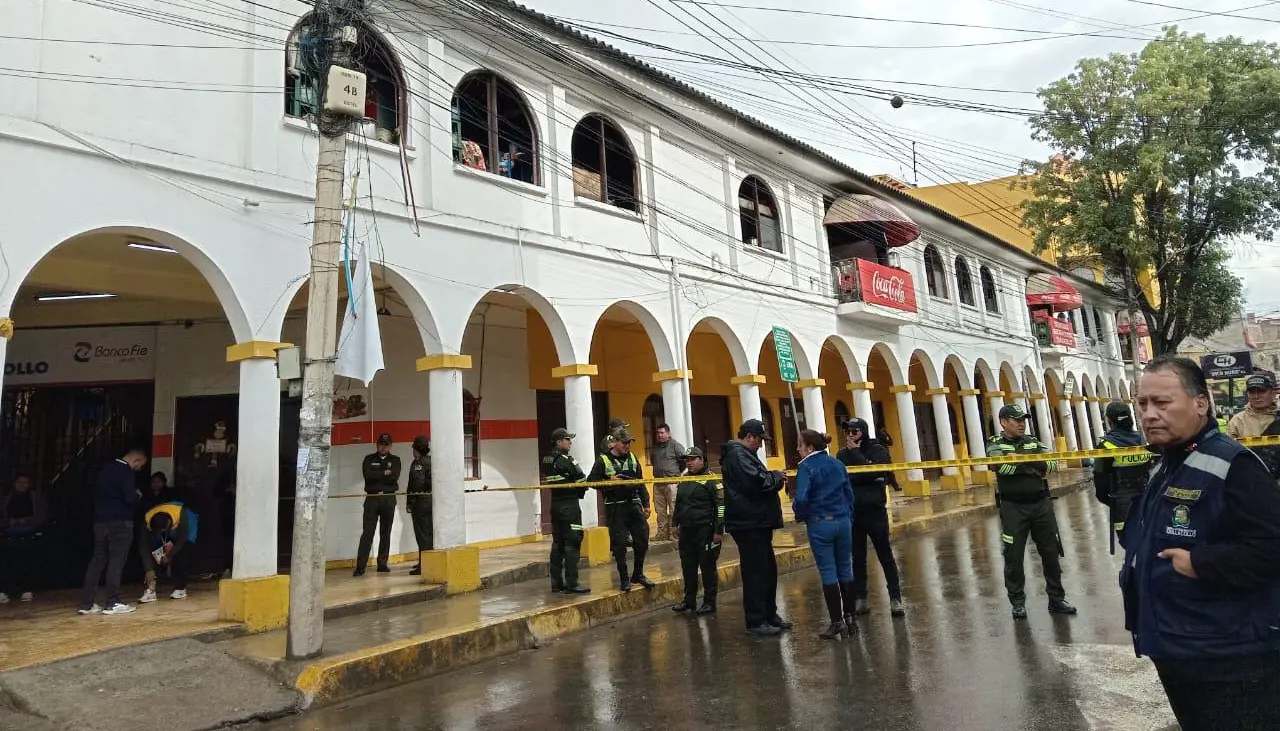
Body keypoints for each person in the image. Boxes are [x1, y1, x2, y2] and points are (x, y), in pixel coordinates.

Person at [1124, 356, 1280, 729]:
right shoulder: (1169, 461)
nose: (1149, 414)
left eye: (1162, 403)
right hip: (1179, 646)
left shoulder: (1234, 465)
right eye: (1142, 404)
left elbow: (1271, 548)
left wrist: (1201, 563)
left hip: (1229, 658)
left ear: (1200, 403)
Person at [986, 404, 1077, 619]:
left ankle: (1056, 598)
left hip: (1041, 505)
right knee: (1014, 556)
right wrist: (1033, 466)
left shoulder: (1033, 441)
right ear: (1003, 422)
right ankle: (1018, 602)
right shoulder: (995, 443)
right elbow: (1000, 467)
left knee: (1051, 553)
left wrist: (1022, 463)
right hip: (1013, 507)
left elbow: (1053, 464)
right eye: (1016, 420)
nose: (1021, 423)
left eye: (1023, 420)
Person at [721, 418, 789, 636]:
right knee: (756, 573)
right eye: (760, 440)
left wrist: (772, 476)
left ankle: (770, 614)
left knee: (767, 570)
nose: (761, 445)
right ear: (749, 437)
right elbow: (757, 483)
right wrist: (776, 477)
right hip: (749, 523)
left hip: (758, 522)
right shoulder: (737, 455)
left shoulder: (745, 455)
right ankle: (756, 620)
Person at [836, 418, 904, 617]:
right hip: (854, 513)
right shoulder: (842, 454)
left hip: (875, 511)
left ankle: (895, 597)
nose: (850, 435)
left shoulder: (877, 449)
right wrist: (864, 473)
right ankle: (861, 597)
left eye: (854, 431)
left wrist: (857, 455)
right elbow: (847, 478)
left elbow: (875, 472)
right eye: (847, 431)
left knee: (886, 555)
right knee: (857, 557)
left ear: (863, 432)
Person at [792, 430, 856, 639]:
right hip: (842, 521)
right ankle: (851, 618)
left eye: (800, 445)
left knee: (828, 571)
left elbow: (801, 498)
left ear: (809, 447)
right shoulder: (838, 464)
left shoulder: (806, 467)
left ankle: (837, 622)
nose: (798, 449)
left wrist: (800, 515)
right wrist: (847, 517)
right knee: (846, 567)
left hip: (820, 523)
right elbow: (849, 495)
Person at [80, 447, 147, 615]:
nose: (139, 469)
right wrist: (137, 494)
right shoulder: (125, 471)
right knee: (117, 561)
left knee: (97, 561)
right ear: (136, 460)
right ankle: (112, 601)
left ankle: (88, 603)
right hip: (120, 522)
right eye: (140, 465)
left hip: (101, 522)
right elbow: (129, 498)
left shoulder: (106, 470)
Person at [586, 427, 652, 592]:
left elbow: (640, 482)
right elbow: (591, 481)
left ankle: (638, 574)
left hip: (634, 504)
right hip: (615, 506)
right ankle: (624, 578)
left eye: (629, 442)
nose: (627, 445)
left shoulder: (633, 458)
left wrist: (646, 504)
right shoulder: (603, 460)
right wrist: (609, 481)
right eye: (624, 442)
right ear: (614, 442)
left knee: (642, 539)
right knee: (619, 544)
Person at [1092, 401, 1151, 554]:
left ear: (1110, 421)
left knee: (1130, 545)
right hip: (1146, 497)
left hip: (1122, 500)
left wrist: (1109, 500)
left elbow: (1100, 478)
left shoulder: (1106, 445)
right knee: (1148, 542)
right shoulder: (1142, 440)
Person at [671, 447, 722, 615]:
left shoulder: (712, 480)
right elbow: (679, 503)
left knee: (707, 567)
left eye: (693, 459)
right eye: (687, 460)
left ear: (702, 460)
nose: (689, 463)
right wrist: (674, 523)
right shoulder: (685, 479)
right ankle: (689, 600)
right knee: (688, 566)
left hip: (705, 530)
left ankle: (709, 602)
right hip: (687, 531)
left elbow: (721, 507)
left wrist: (718, 531)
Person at [543, 427, 590, 595]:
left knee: (558, 544)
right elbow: (581, 480)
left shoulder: (547, 459)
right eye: (567, 439)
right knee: (572, 543)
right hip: (570, 506)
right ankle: (572, 583)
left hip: (555, 506)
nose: (570, 442)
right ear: (559, 441)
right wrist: (579, 492)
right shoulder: (567, 460)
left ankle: (556, 583)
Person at [355, 433, 401, 576]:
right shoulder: (368, 459)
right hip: (372, 499)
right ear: (377, 445)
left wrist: (379, 474)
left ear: (390, 446)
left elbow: (394, 476)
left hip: (388, 498)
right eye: (381, 444)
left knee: (385, 532)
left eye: (386, 444)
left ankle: (382, 563)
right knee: (367, 533)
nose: (383, 447)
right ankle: (360, 566)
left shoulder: (395, 460)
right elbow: (368, 476)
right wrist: (384, 473)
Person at [0, 474, 49, 604]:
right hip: (9, 535)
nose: (22, 485)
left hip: (29, 534)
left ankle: (26, 589)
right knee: (7, 563)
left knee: (27, 562)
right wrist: (8, 522)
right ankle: (4, 590)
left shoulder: (35, 498)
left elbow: (41, 516)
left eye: (25, 482)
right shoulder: (6, 499)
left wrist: (26, 521)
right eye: (19, 482)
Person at [138, 501, 198, 603]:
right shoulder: (147, 519)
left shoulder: (181, 513)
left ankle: (180, 587)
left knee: (182, 551)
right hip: (166, 525)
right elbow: (143, 545)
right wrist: (149, 568)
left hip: (186, 525)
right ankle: (150, 589)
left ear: (169, 523)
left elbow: (182, 539)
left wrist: (170, 555)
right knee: (155, 550)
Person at [648, 424, 685, 542]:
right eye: (658, 433)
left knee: (674, 508)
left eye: (662, 432)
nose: (660, 435)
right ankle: (662, 533)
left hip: (672, 482)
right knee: (660, 510)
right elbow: (654, 461)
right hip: (658, 483)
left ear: (668, 433)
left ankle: (675, 533)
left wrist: (675, 474)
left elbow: (683, 462)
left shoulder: (676, 446)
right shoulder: (655, 448)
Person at [405, 435, 432, 576]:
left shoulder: (418, 463)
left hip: (420, 502)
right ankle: (425, 561)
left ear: (416, 449)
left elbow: (416, 484)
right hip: (428, 501)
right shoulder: (430, 461)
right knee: (427, 533)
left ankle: (425, 565)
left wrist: (410, 502)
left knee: (422, 535)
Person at [1226, 372, 1276, 440]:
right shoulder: (1237, 421)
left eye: (1261, 391)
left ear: (1273, 394)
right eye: (1252, 392)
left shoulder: (1277, 416)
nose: (1256, 396)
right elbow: (1230, 448)